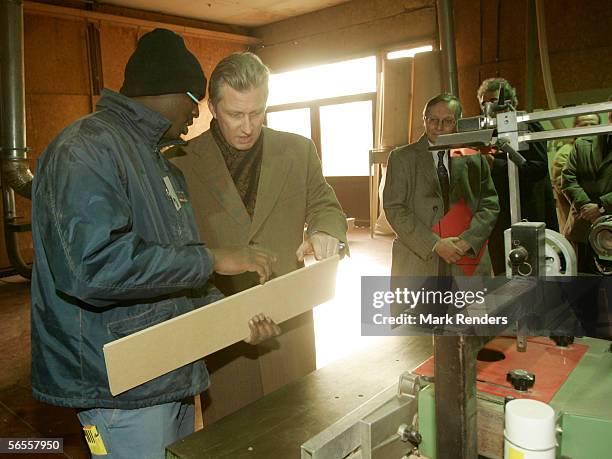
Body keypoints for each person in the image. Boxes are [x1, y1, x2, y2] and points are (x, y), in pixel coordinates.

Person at [31, 29, 279, 459]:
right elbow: (92, 268)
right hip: (122, 388)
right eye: (195, 102)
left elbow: (172, 280)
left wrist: (235, 320)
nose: (195, 117)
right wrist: (213, 258)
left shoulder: (156, 162)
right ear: (174, 93)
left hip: (169, 370)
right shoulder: (86, 149)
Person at [171, 52, 348, 422]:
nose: (248, 126)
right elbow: (175, 251)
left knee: (299, 422)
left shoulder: (298, 150)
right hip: (223, 323)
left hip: (292, 321)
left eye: (257, 112)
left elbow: (324, 204)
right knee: (234, 433)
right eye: (236, 114)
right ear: (212, 107)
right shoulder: (180, 162)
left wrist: (326, 231)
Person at [383, 93, 499, 277]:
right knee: (422, 307)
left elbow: (489, 204)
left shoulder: (474, 157)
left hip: (466, 258)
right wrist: (434, 244)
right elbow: (394, 208)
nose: (438, 127)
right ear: (424, 120)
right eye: (432, 120)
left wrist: (468, 241)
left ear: (457, 123)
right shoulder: (401, 158)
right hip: (418, 260)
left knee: (470, 307)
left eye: (447, 121)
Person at [477, 78, 558, 274]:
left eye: (495, 101)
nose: (490, 107)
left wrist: (494, 163)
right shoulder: (485, 133)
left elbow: (537, 169)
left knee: (535, 271)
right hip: (499, 217)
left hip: (530, 212)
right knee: (502, 271)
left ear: (510, 102)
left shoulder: (528, 127)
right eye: (484, 103)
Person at [561, 108, 612, 274]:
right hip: (584, 227)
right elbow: (568, 178)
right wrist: (586, 206)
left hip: (608, 228)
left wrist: (601, 207)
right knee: (585, 284)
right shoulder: (582, 144)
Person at [550, 113, 600, 232]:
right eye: (584, 125)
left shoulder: (602, 150)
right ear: (575, 128)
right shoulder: (565, 154)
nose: (588, 128)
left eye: (593, 124)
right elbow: (566, 185)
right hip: (577, 225)